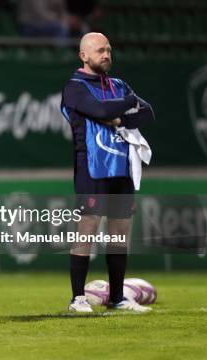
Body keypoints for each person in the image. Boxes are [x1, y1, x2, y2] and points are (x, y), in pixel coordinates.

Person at [60, 32, 155, 313]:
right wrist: (126, 105)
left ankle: (117, 297)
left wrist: (117, 117)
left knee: (119, 233)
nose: (106, 56)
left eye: (109, 51)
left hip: (122, 168)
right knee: (87, 229)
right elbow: (98, 108)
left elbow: (147, 112)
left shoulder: (118, 84)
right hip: (92, 167)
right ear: (84, 56)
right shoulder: (75, 87)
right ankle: (77, 298)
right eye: (100, 51)